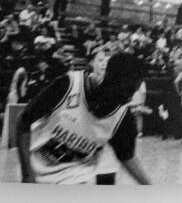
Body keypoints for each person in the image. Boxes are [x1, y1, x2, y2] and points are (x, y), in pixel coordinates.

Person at [16, 53, 151, 184]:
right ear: (112, 80)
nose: (130, 98)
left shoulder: (122, 117)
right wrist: (27, 174)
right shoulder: (68, 85)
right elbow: (23, 120)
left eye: (134, 91)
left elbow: (127, 157)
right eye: (129, 90)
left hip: (77, 178)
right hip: (36, 171)